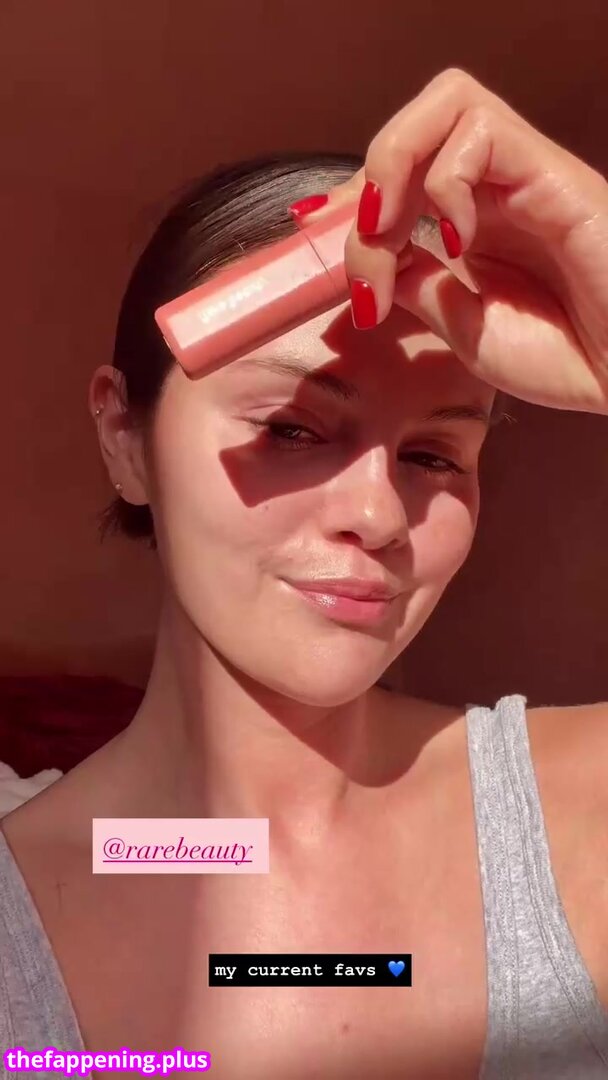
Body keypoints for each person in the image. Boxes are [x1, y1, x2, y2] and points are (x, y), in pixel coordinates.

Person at [1, 67, 608, 1080]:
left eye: (433, 456)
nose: (378, 516)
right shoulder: (26, 898)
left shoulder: (578, 810)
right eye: (292, 429)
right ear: (123, 436)